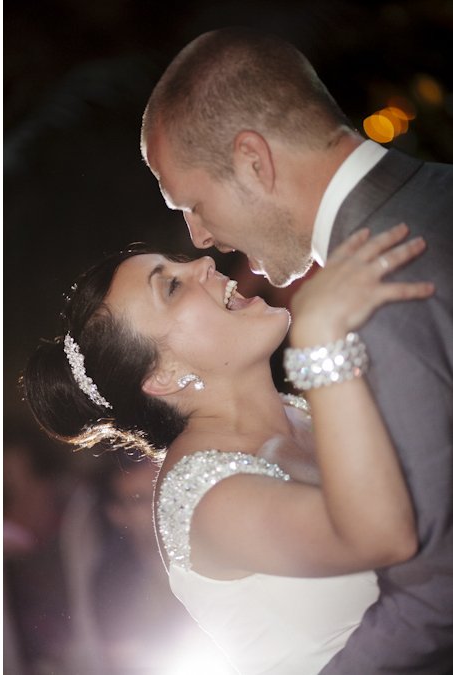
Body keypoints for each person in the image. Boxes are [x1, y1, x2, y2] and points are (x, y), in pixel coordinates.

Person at [140, 27, 453, 674]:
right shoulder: (435, 194)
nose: (201, 239)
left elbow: (436, 585)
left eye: (195, 204)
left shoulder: (377, 295)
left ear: (254, 160)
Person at [24, 224, 434, 673]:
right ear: (163, 376)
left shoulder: (303, 410)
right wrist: (321, 338)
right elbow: (385, 537)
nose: (204, 263)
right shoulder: (204, 498)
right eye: (173, 288)